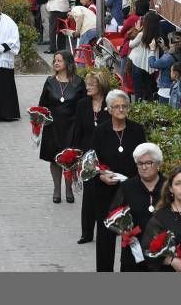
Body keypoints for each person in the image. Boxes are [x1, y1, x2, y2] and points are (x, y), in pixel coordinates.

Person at [94, 89, 147, 271]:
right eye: (117, 106)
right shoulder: (100, 132)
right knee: (105, 238)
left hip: (131, 192)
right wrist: (101, 174)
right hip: (106, 191)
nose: (121, 109)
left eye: (124, 106)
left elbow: (143, 159)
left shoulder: (137, 130)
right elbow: (92, 161)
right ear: (108, 109)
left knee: (131, 233)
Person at [108, 142, 166, 271]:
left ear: (158, 164)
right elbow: (113, 214)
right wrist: (123, 231)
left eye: (148, 163)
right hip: (134, 251)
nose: (144, 167)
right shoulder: (127, 187)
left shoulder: (168, 187)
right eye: (140, 163)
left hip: (163, 253)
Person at [70, 69, 112, 244]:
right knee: (88, 196)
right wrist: (75, 155)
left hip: (107, 155)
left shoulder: (111, 103)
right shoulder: (82, 104)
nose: (87, 87)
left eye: (91, 84)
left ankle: (109, 228)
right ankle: (86, 233)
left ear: (101, 86)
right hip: (87, 156)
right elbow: (77, 131)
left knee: (106, 195)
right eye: (87, 84)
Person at [38, 51, 86, 202]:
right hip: (53, 127)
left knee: (70, 159)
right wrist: (39, 120)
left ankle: (69, 188)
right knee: (54, 159)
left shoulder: (78, 82)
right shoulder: (50, 82)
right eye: (54, 61)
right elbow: (42, 105)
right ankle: (57, 189)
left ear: (68, 63)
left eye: (59, 60)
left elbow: (84, 106)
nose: (56, 63)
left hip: (72, 126)